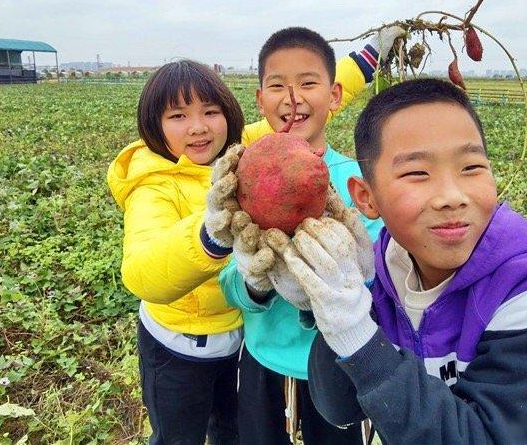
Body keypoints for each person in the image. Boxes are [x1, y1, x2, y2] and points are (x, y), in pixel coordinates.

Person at [106, 29, 401, 444]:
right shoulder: (171, 184)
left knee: (229, 432)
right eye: (177, 117)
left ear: (231, 115)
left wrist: (371, 55)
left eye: (210, 112)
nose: (197, 128)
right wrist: (216, 241)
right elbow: (144, 275)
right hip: (185, 345)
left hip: (252, 346)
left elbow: (307, 103)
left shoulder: (265, 153)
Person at [271, 78, 527, 444]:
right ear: (366, 197)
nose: (452, 197)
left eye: (471, 168)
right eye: (417, 173)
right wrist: (333, 308)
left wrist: (356, 333)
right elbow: (340, 407)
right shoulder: (379, 271)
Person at [216, 26, 402, 445]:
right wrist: (254, 279)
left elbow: (385, 281)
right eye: (278, 85)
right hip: (265, 359)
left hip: (344, 362)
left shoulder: (358, 183)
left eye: (308, 83)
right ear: (260, 99)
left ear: (334, 95)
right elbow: (229, 284)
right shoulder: (242, 178)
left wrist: (354, 277)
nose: (293, 98)